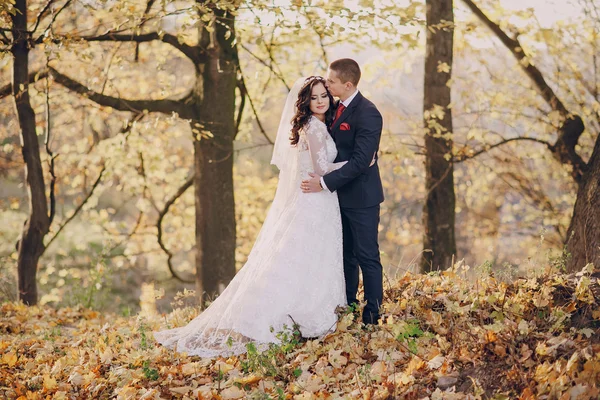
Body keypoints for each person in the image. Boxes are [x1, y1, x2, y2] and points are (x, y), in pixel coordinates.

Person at [154, 76, 347, 357]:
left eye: (324, 96)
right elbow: (322, 167)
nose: (320, 101)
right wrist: (357, 163)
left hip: (314, 200)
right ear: (305, 102)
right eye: (314, 97)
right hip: (315, 200)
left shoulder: (312, 126)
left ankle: (305, 313)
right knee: (309, 256)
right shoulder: (314, 129)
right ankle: (304, 315)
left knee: (304, 257)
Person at [301, 58, 384, 325]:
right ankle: (348, 306)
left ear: (347, 84)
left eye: (332, 81)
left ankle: (373, 314)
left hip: (361, 199)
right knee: (346, 256)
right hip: (337, 199)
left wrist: (323, 183)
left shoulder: (368, 113)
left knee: (367, 256)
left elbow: (361, 162)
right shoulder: (335, 107)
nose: (327, 84)